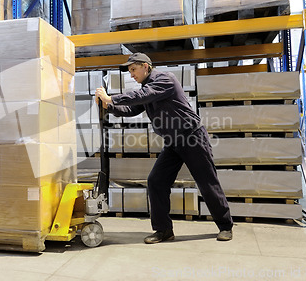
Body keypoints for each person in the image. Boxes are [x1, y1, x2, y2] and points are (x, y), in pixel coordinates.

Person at [95, 52, 233, 244]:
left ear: (145, 66)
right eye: (129, 71)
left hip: (192, 137)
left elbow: (142, 95)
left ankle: (225, 226)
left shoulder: (164, 80)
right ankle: (164, 230)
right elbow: (133, 109)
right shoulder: (148, 88)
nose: (131, 74)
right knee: (156, 181)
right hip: (173, 142)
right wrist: (107, 106)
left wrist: (112, 98)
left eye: (133, 69)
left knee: (207, 182)